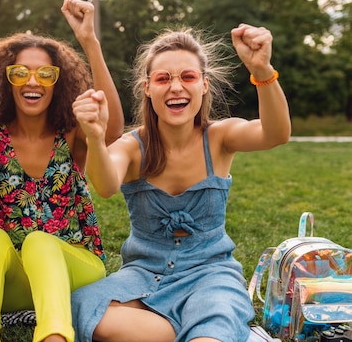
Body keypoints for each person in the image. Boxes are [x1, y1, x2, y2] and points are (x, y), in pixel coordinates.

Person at [70, 23, 291, 342]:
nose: (175, 87)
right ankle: (182, 331)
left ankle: (201, 330)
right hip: (142, 277)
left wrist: (262, 70)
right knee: (82, 305)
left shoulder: (220, 137)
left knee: (212, 327)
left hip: (211, 277)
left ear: (203, 84)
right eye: (163, 78)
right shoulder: (133, 146)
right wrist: (93, 135)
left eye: (187, 76)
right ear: (148, 87)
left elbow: (276, 134)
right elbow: (105, 186)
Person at [0, 0, 125, 342]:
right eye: (21, 72)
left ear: (57, 82)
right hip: (17, 279)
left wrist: (89, 42)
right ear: (7, 80)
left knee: (40, 243)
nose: (33, 81)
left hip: (75, 266)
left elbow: (113, 131)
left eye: (45, 73)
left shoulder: (73, 133)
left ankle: (55, 336)